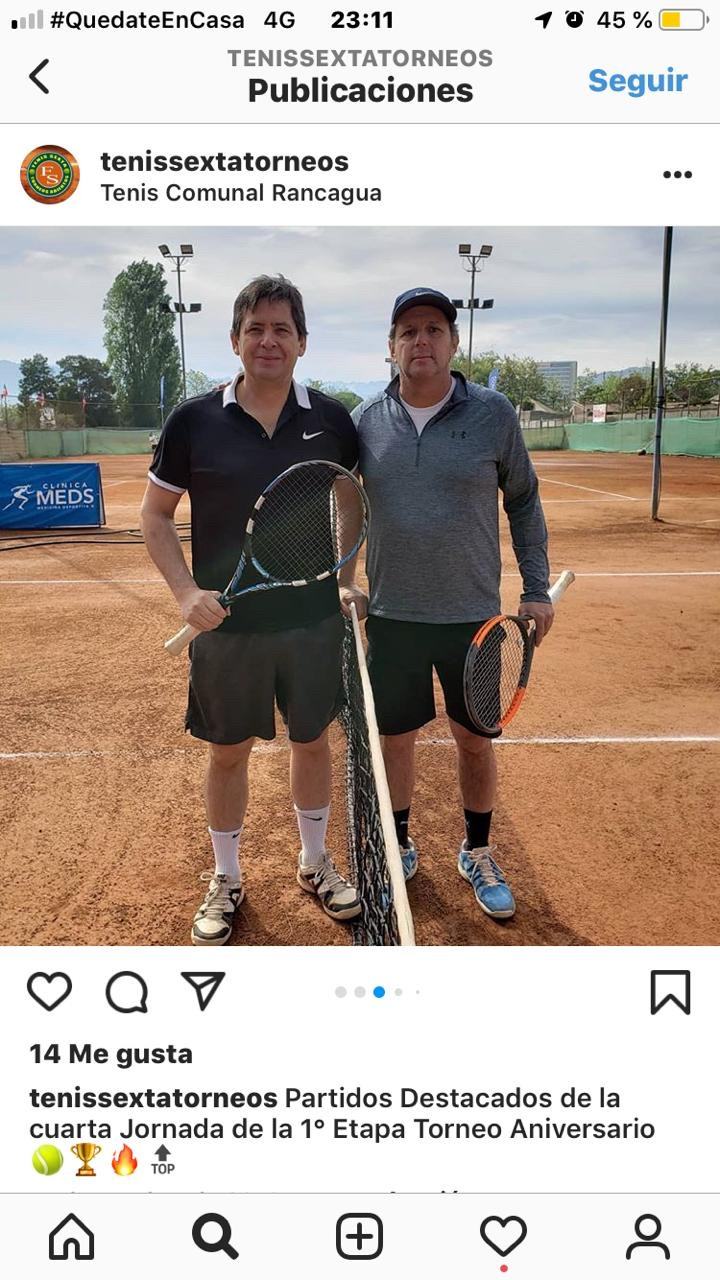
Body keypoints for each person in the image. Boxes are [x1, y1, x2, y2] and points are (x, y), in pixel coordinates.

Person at [140, 274, 361, 945]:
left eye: (281, 329)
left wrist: (345, 577)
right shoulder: (193, 421)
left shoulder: (332, 420)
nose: (269, 340)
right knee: (228, 754)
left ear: (302, 342)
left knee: (312, 743)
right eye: (256, 329)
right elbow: (155, 515)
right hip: (226, 627)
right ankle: (227, 876)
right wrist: (186, 594)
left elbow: (351, 496)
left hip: (312, 620)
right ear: (235, 339)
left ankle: (315, 862)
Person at [345, 287, 554, 921]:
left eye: (434, 329)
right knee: (396, 740)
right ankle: (400, 846)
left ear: (454, 343)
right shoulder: (364, 420)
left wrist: (536, 588)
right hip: (393, 616)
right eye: (408, 331)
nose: (421, 341)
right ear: (390, 347)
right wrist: (345, 579)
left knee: (474, 740)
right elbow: (348, 505)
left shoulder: (493, 413)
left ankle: (478, 851)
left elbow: (524, 500)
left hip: (474, 618)